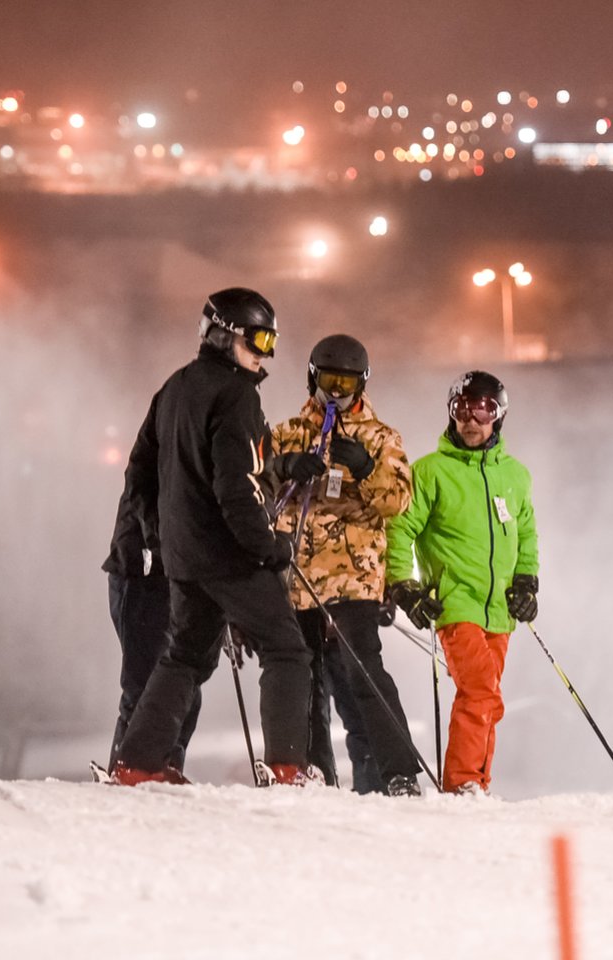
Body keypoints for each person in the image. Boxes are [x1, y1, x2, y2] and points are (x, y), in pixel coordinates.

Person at [111, 287, 313, 786]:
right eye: (259, 339)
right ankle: (288, 768)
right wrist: (269, 547)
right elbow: (237, 487)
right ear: (225, 336)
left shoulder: (175, 387)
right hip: (230, 552)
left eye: (271, 341)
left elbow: (139, 472)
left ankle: (137, 764)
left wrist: (163, 537)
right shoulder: (236, 395)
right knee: (286, 648)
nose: (265, 354)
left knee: (185, 655)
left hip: (185, 555)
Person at [272, 334, 422, 797]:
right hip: (297, 576)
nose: (338, 393)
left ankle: (395, 772)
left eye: (348, 383)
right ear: (313, 378)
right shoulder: (287, 430)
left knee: (362, 671)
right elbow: (255, 484)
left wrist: (366, 469)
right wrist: (284, 465)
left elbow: (397, 501)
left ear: (363, 384)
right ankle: (312, 770)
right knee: (304, 678)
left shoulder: (381, 437)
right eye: (330, 382)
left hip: (353, 578)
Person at [386, 371, 539, 796]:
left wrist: (526, 582)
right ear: (451, 414)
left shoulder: (516, 476)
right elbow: (400, 530)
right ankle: (464, 782)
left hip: (499, 609)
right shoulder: (431, 472)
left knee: (486, 697)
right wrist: (405, 586)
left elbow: (525, 533)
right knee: (480, 691)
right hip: (455, 602)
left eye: (483, 409)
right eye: (462, 409)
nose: (472, 420)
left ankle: (478, 783)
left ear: (499, 415)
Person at [102, 475, 201, 774]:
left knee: (184, 687)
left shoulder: (196, 440)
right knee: (145, 683)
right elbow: (140, 484)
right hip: (142, 574)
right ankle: (127, 769)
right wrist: (158, 544)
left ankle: (163, 767)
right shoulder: (164, 433)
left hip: (173, 576)